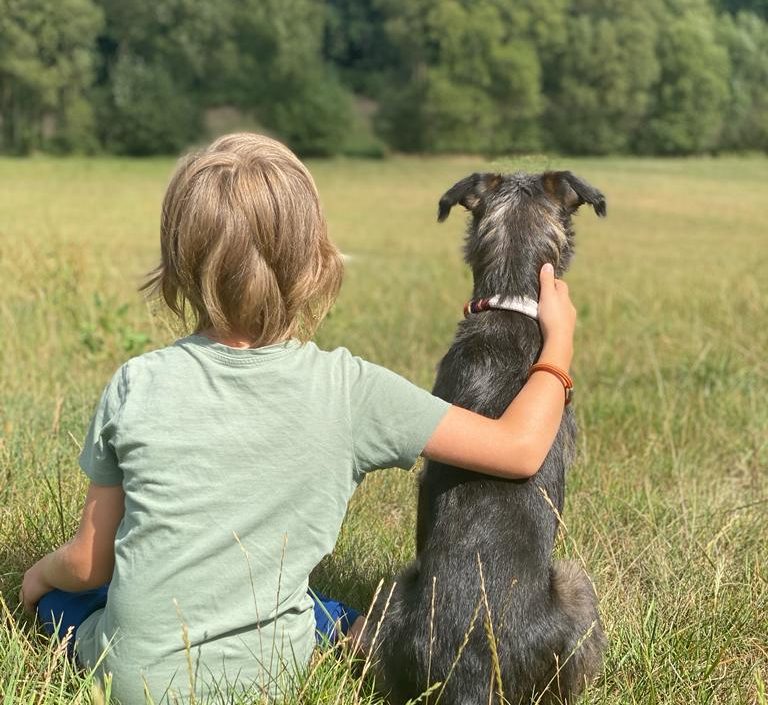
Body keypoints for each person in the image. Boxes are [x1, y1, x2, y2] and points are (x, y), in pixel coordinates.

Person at [19, 133, 577, 704]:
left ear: (178, 262)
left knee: (72, 600)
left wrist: (35, 580)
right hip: (270, 674)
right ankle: (347, 631)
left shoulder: (135, 384)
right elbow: (521, 449)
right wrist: (557, 343)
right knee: (317, 610)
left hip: (133, 682)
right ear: (315, 260)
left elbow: (89, 562)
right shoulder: (351, 390)